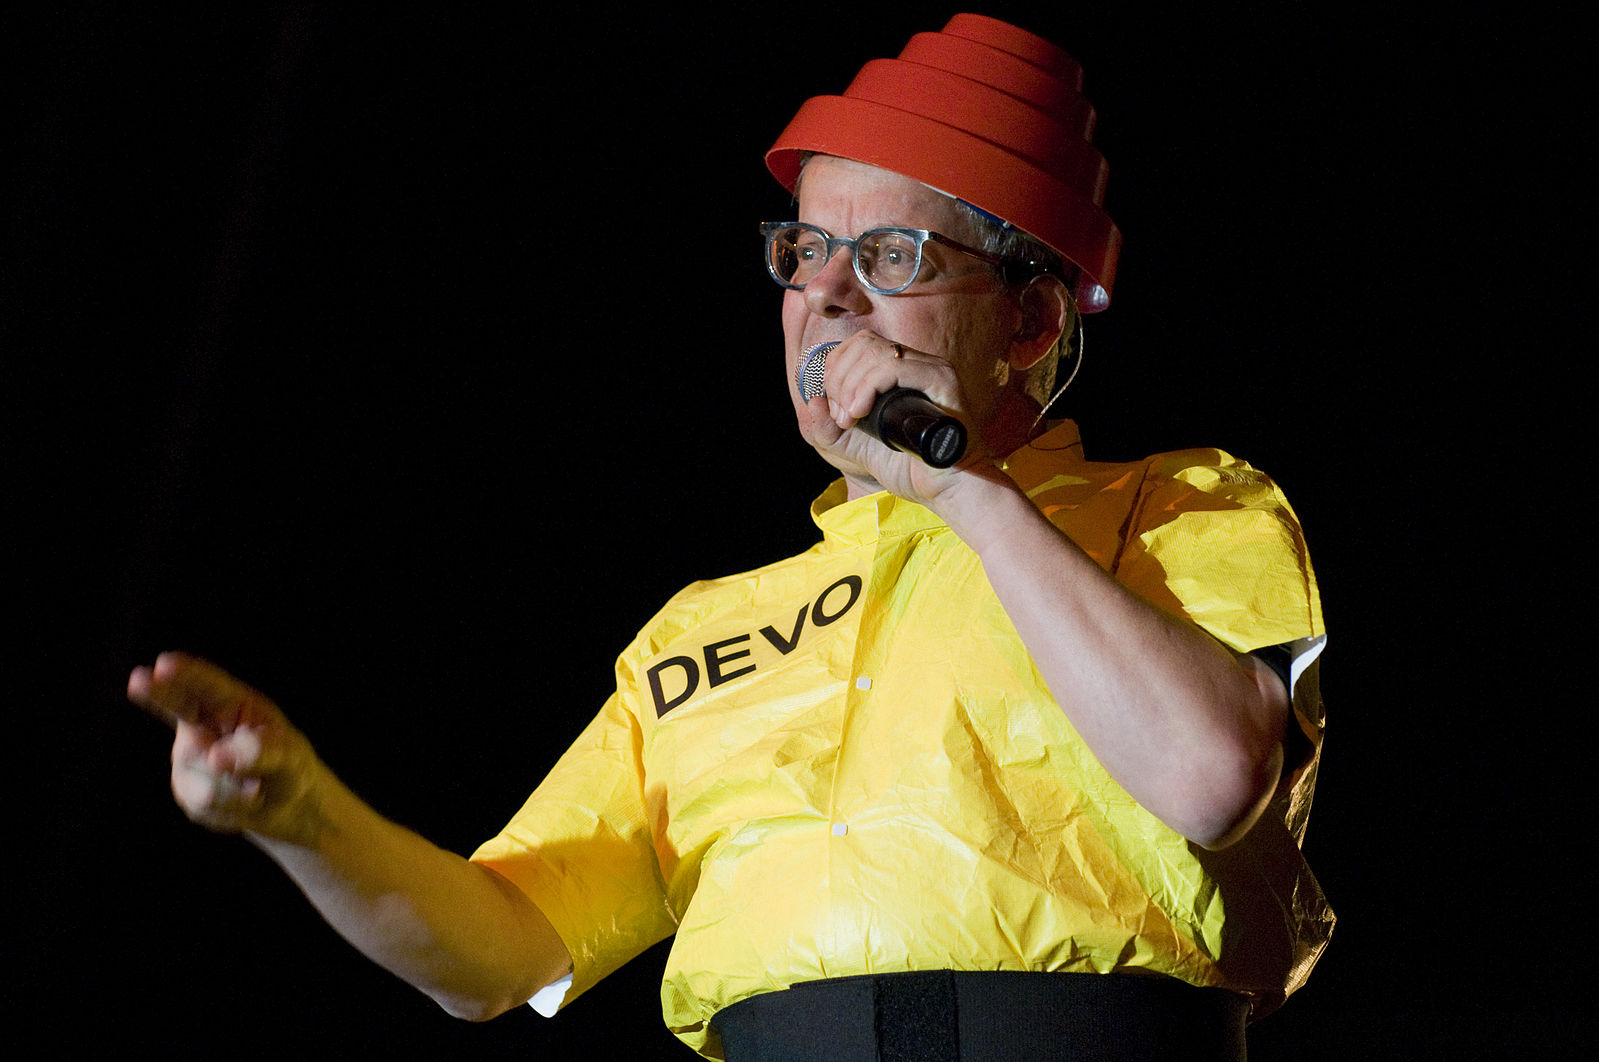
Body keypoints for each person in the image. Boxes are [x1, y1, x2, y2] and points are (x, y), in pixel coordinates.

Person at [128, 14, 1330, 1061]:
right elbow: (495, 954)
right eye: (806, 253)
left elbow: (1210, 776)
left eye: (893, 256)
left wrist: (959, 490)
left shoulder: (1177, 509)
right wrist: (300, 815)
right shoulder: (704, 631)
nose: (830, 297)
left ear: (1028, 316)